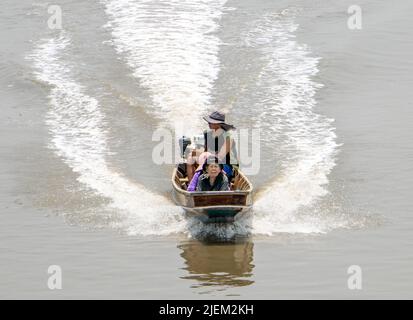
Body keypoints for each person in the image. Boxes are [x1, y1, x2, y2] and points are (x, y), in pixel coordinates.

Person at [186, 111, 238, 182]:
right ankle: (191, 185)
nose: (208, 123)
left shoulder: (228, 138)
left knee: (206, 160)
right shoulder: (207, 134)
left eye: (211, 122)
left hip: (224, 165)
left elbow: (219, 157)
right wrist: (195, 153)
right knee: (190, 157)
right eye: (209, 121)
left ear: (219, 124)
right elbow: (206, 152)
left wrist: (203, 163)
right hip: (209, 160)